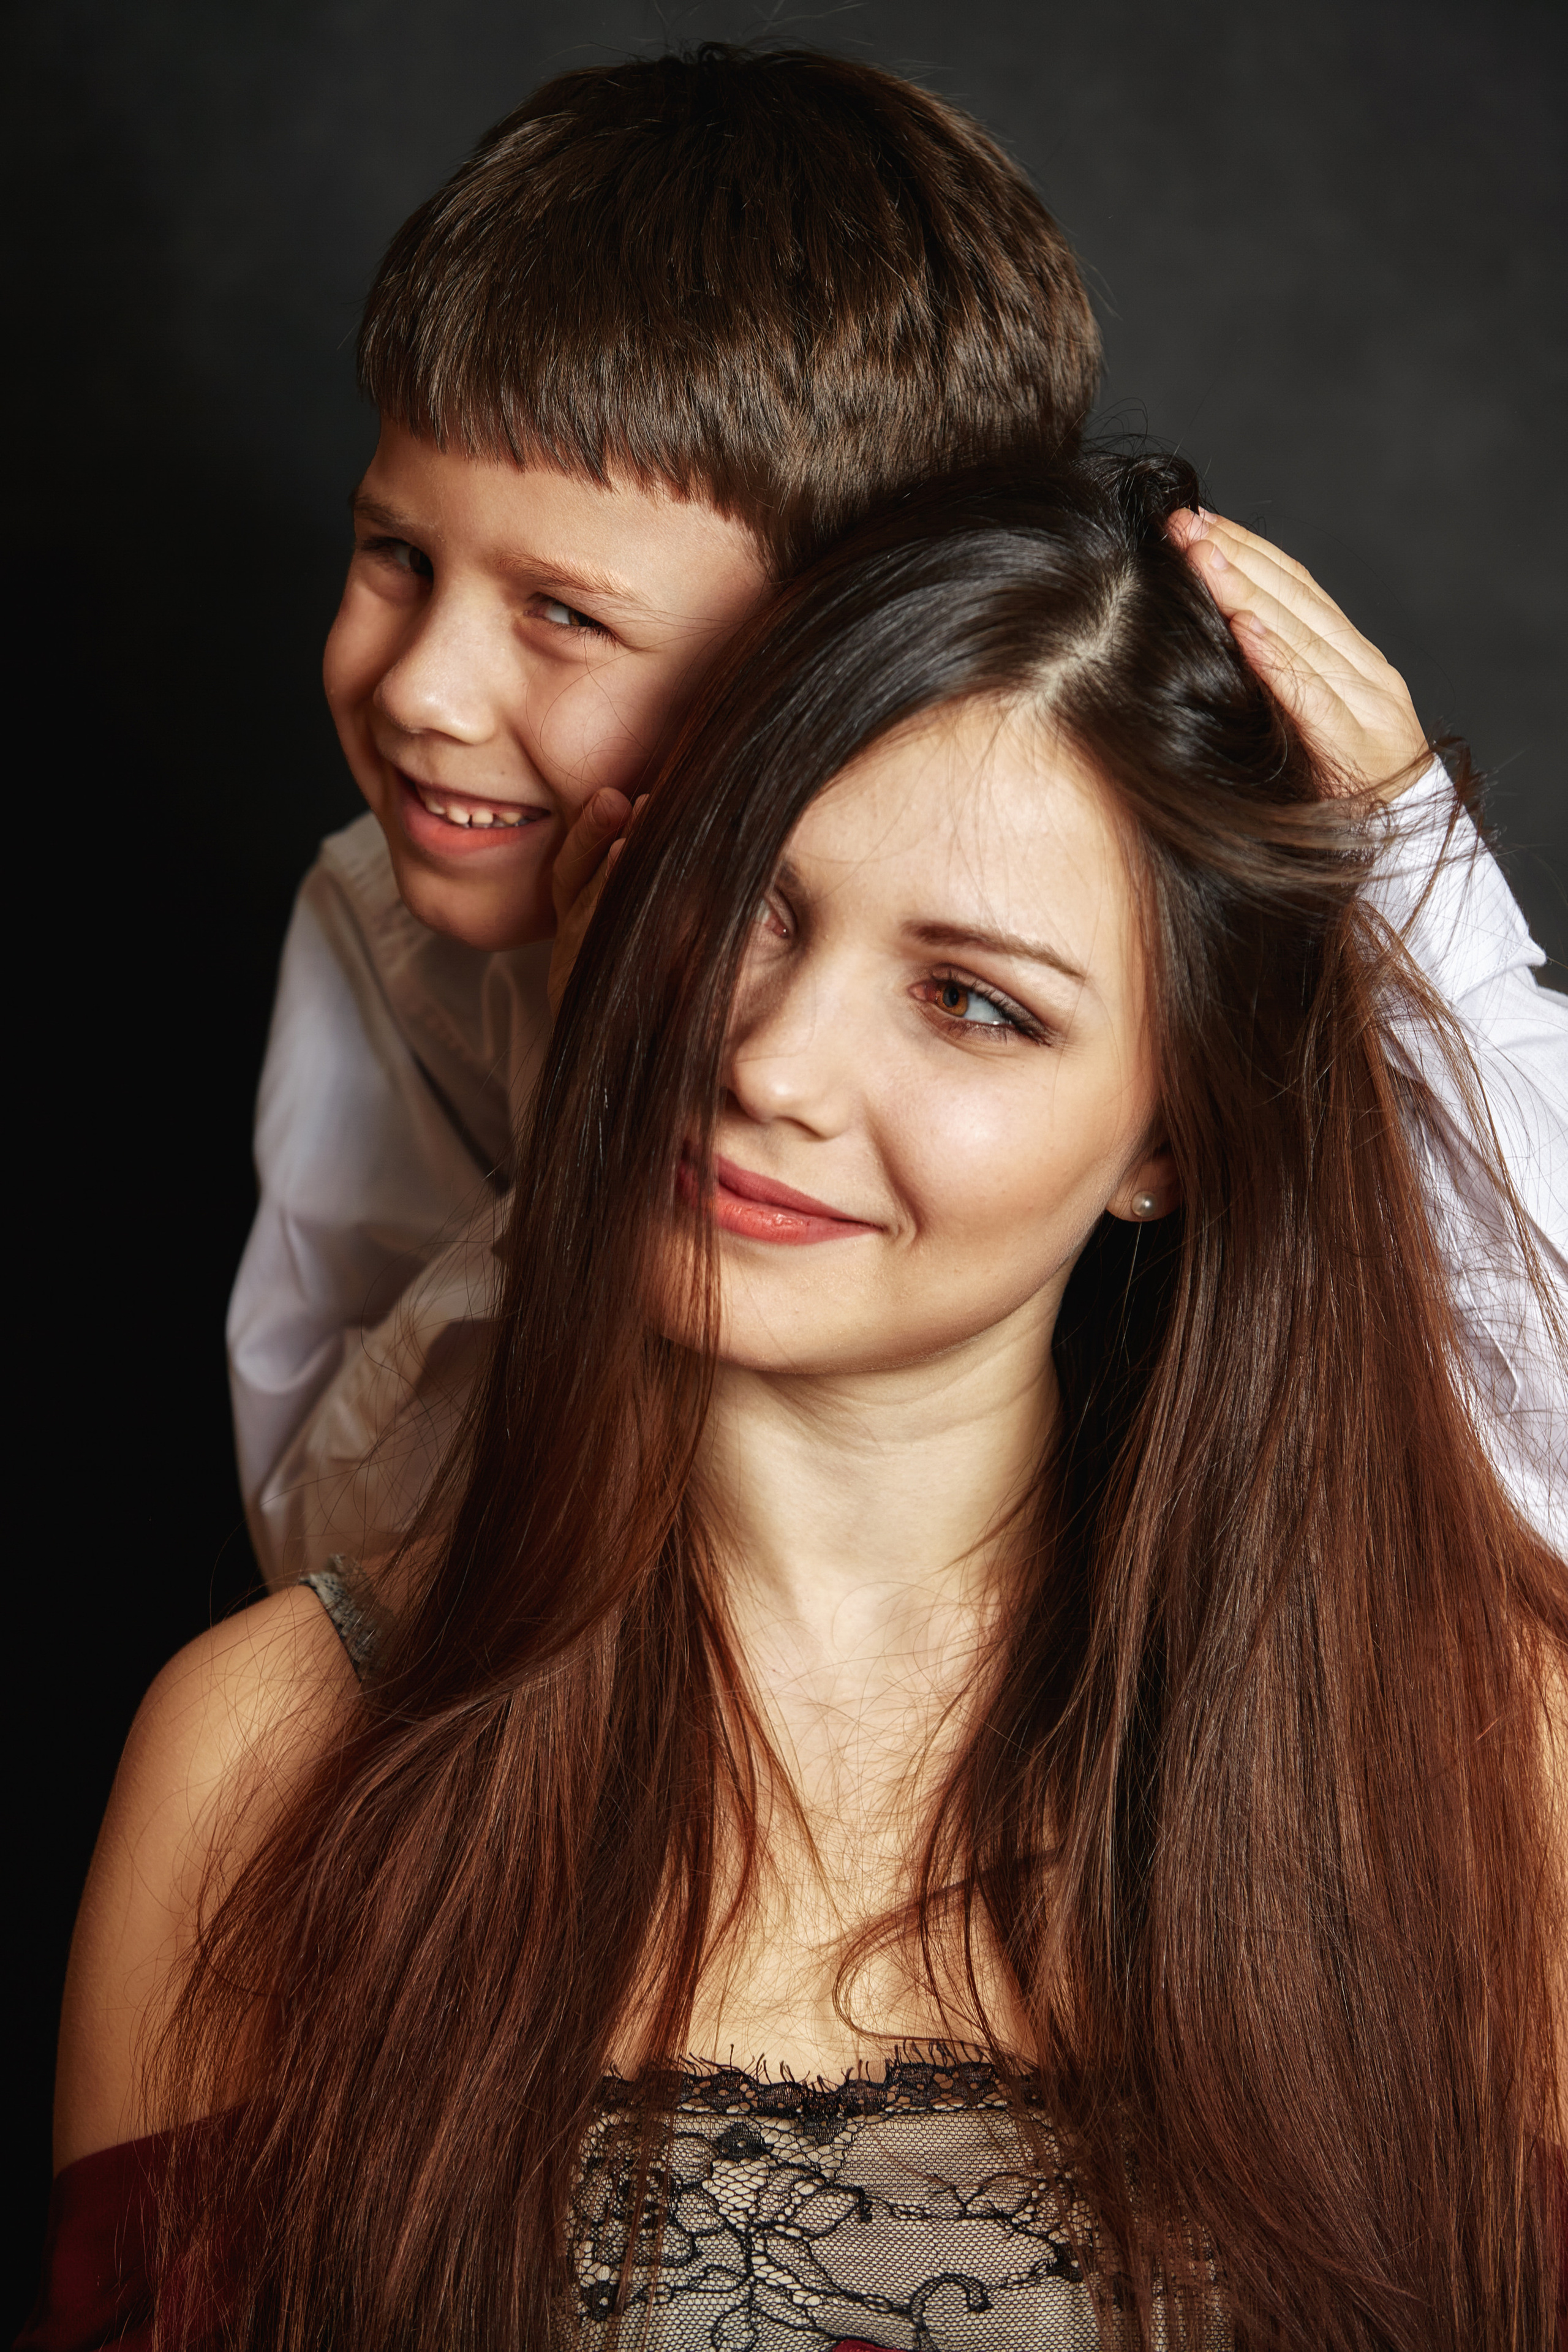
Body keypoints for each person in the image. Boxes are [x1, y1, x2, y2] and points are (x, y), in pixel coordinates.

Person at [30, 454, 1566, 2348]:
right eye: (749, 906)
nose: (772, 1063)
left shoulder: (1492, 1746)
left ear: (1168, 1138)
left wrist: (1432, 933)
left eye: (975, 1003)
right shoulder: (266, 1756)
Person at [227, 41, 1103, 1586]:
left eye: (564, 616)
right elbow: (342, 1566)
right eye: (396, 556)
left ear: (840, 649)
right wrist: (596, 1131)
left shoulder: (1082, 933)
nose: (423, 689)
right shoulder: (378, 922)